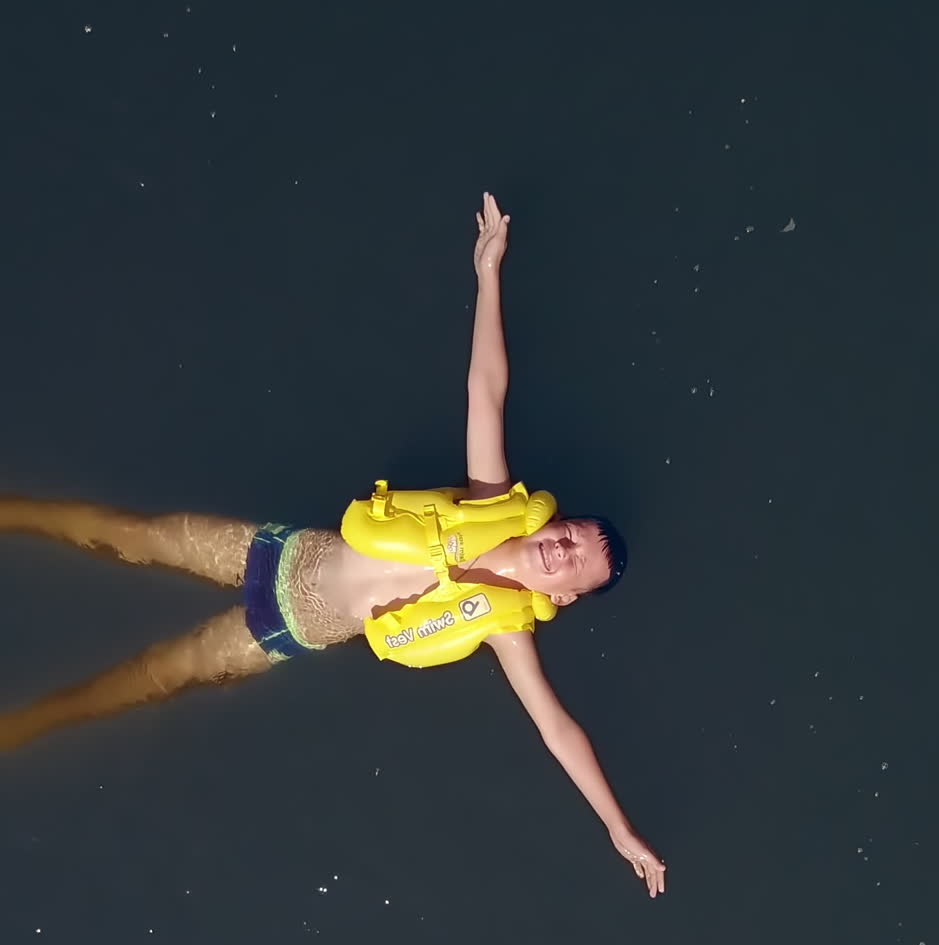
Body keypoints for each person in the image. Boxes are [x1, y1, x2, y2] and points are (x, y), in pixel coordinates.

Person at [0, 193, 666, 897]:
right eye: (568, 536)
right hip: (278, 554)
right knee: (136, 535)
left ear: (561, 596)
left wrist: (618, 829)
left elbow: (558, 730)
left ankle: (39, 719)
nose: (562, 549)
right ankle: (18, 514)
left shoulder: (506, 633)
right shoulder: (487, 498)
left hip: (285, 628)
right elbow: (486, 389)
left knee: (158, 673)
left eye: (575, 563)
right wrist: (489, 272)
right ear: (550, 524)